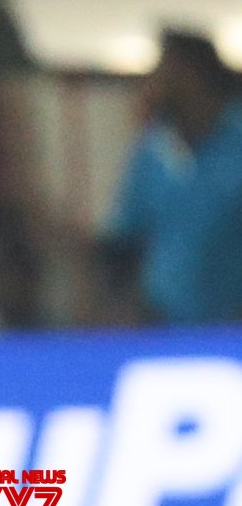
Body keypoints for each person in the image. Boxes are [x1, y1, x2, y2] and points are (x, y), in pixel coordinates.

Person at [99, 29, 242, 325]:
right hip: (165, 325)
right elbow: (127, 235)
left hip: (231, 326)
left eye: (167, 69)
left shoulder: (237, 141)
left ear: (195, 75)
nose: (157, 81)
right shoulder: (153, 149)